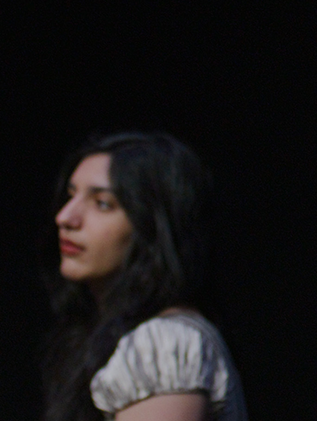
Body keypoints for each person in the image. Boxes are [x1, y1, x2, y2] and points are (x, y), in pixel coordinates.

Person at [42, 132, 248, 421]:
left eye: (103, 204)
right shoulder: (115, 336)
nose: (65, 217)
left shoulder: (164, 344)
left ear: (151, 228)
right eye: (71, 195)